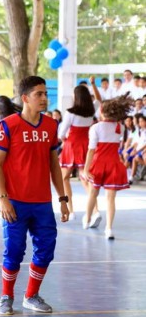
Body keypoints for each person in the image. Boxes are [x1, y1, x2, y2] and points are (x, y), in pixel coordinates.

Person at [0, 75, 69, 316]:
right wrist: (2, 198)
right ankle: (6, 296)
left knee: (46, 249)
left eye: (46, 93)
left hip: (42, 203)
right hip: (15, 201)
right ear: (25, 98)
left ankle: (31, 295)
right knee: (14, 251)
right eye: (39, 94)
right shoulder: (8, 125)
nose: (44, 98)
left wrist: (63, 199)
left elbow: (54, 165)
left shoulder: (50, 126)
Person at [83, 95, 134, 239]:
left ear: (102, 111)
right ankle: (109, 228)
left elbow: (91, 150)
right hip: (114, 164)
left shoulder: (95, 127)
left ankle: (87, 219)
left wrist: (86, 169)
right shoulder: (120, 126)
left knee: (93, 193)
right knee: (111, 199)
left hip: (99, 164)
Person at [58, 82, 99, 221]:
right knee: (85, 176)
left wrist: (64, 140)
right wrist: (93, 85)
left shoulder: (70, 112)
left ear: (76, 96)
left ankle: (71, 210)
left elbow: (61, 132)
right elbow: (99, 100)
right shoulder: (91, 111)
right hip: (85, 145)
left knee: (65, 178)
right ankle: (95, 210)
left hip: (71, 145)